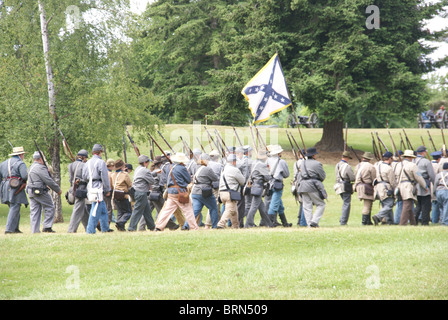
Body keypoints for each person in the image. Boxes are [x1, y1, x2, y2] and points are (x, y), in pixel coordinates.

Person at [155, 153, 199, 231]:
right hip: (180, 192)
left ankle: (159, 226)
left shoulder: (168, 167)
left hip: (171, 192)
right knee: (188, 210)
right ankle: (193, 227)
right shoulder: (182, 168)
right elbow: (188, 180)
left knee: (166, 211)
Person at [27, 151, 62, 233]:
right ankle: (47, 226)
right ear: (40, 159)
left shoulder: (31, 167)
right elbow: (48, 181)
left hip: (31, 191)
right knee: (50, 207)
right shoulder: (40, 168)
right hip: (40, 191)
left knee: (34, 211)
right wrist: (58, 190)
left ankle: (34, 230)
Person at [83, 144, 113, 234]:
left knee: (103, 210)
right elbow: (105, 176)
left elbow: (84, 176)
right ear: (100, 152)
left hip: (90, 186)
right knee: (95, 209)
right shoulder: (101, 162)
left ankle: (105, 228)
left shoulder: (87, 163)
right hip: (98, 187)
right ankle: (90, 230)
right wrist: (107, 189)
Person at [0, 146, 28, 234]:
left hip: (4, 186)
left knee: (14, 207)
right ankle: (9, 229)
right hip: (15, 186)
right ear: (21, 155)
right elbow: (25, 176)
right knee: (15, 206)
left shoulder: (3, 163)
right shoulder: (20, 163)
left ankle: (15, 228)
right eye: (23, 154)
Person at [297, 147, 327, 227]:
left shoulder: (302, 163)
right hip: (313, 186)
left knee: (307, 206)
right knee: (321, 204)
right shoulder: (317, 164)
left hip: (302, 186)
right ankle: (314, 221)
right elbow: (322, 176)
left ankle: (309, 225)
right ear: (313, 155)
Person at [397, 150, 428, 226]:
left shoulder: (398, 165)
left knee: (410, 205)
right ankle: (402, 223)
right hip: (408, 186)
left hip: (400, 185)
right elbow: (418, 177)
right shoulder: (412, 165)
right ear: (411, 157)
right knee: (407, 205)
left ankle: (413, 223)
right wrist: (425, 186)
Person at [244, 150, 274, 228]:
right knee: (254, 207)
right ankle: (248, 224)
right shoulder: (262, 165)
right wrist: (269, 171)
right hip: (258, 187)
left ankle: (269, 223)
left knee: (262, 207)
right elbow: (267, 178)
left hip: (254, 186)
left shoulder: (254, 163)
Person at [189, 153, 219, 228]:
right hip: (204, 191)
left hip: (195, 191)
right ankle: (214, 226)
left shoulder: (196, 167)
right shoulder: (207, 169)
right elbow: (215, 178)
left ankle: (186, 225)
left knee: (195, 210)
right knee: (213, 207)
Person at [127, 155, 156, 231]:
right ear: (144, 162)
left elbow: (144, 176)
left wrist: (154, 173)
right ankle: (131, 228)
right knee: (137, 211)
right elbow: (152, 181)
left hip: (137, 191)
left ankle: (152, 226)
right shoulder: (146, 170)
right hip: (141, 192)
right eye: (147, 162)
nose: (148, 163)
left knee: (147, 211)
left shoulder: (138, 169)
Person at [217, 154, 245, 229]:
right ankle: (221, 224)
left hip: (222, 193)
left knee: (234, 211)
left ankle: (235, 226)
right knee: (229, 210)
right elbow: (242, 181)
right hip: (230, 193)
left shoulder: (223, 169)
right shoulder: (235, 170)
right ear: (234, 162)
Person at [266, 145, 291, 227]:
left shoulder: (267, 160)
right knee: (274, 205)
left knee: (279, 205)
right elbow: (286, 174)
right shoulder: (282, 162)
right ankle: (270, 223)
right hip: (277, 184)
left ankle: (285, 223)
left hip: (269, 183)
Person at [67, 149, 90, 233]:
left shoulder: (71, 165)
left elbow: (70, 179)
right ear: (84, 157)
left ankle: (89, 227)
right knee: (77, 210)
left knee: (82, 209)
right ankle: (71, 229)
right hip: (81, 188)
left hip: (73, 188)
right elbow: (86, 177)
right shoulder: (84, 165)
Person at [372, 152, 397, 225]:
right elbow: (392, 182)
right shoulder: (389, 168)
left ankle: (390, 221)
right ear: (390, 158)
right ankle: (378, 216)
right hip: (386, 187)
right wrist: (394, 190)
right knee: (389, 204)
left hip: (378, 187)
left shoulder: (377, 166)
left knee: (385, 205)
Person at [413, 146, 435, 225]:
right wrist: (434, 185)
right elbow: (432, 175)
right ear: (423, 152)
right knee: (426, 205)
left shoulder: (413, 161)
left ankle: (414, 220)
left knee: (418, 204)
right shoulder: (426, 161)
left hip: (415, 185)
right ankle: (425, 222)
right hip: (424, 184)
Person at [110, 159, 133, 231]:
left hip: (115, 194)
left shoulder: (113, 174)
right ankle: (120, 222)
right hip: (123, 194)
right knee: (128, 211)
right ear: (121, 166)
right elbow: (129, 185)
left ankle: (120, 226)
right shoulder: (125, 174)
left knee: (120, 211)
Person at [354, 152, 377, 225]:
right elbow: (374, 178)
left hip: (359, 186)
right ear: (369, 159)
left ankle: (368, 221)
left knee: (368, 204)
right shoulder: (371, 166)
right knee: (367, 204)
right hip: (366, 186)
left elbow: (355, 175)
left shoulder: (358, 166)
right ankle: (364, 222)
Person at [334, 151, 355, 225]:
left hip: (338, 186)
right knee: (346, 204)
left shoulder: (337, 165)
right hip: (345, 186)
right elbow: (352, 178)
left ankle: (342, 219)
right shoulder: (347, 166)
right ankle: (343, 221)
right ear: (347, 158)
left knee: (345, 203)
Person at [392, 150, 404, 224]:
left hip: (395, 184)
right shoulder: (399, 165)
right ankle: (396, 219)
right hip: (397, 184)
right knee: (399, 202)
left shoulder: (392, 164)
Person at [430, 151, 442, 223]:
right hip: (436, 186)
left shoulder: (430, 164)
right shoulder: (438, 166)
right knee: (436, 204)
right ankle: (434, 220)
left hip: (431, 186)